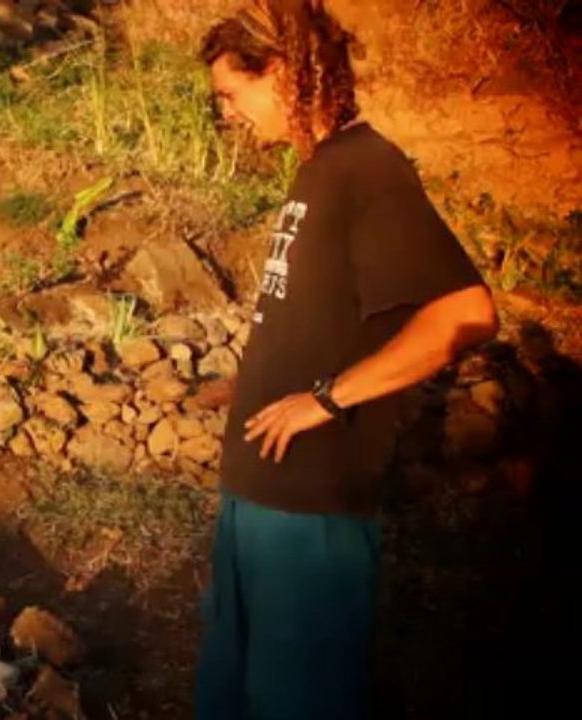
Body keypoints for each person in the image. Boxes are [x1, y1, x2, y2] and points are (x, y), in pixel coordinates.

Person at [191, 1, 499, 718]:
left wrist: (325, 400)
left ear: (282, 72)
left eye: (230, 95)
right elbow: (326, 317)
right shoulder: (319, 171)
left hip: (311, 505)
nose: (228, 116)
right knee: (231, 691)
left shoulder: (369, 169)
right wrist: (257, 379)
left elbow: (464, 314)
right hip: (259, 491)